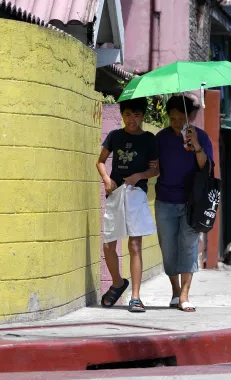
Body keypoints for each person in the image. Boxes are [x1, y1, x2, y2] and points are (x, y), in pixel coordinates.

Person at [96, 97, 159, 312]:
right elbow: (100, 161)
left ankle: (136, 297)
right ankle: (117, 282)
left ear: (143, 116)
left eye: (137, 115)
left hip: (136, 193)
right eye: (128, 115)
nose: (132, 119)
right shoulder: (114, 136)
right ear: (123, 115)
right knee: (108, 245)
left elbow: (155, 169)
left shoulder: (149, 139)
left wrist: (138, 175)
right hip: (115, 193)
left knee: (134, 245)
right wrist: (106, 180)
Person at [152, 95, 214, 313]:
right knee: (168, 248)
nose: (177, 123)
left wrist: (195, 144)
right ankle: (175, 291)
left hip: (192, 202)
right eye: (172, 118)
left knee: (188, 247)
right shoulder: (161, 138)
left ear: (190, 117)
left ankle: (185, 295)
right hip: (165, 200)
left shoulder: (202, 137)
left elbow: (205, 167)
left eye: (181, 118)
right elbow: (155, 167)